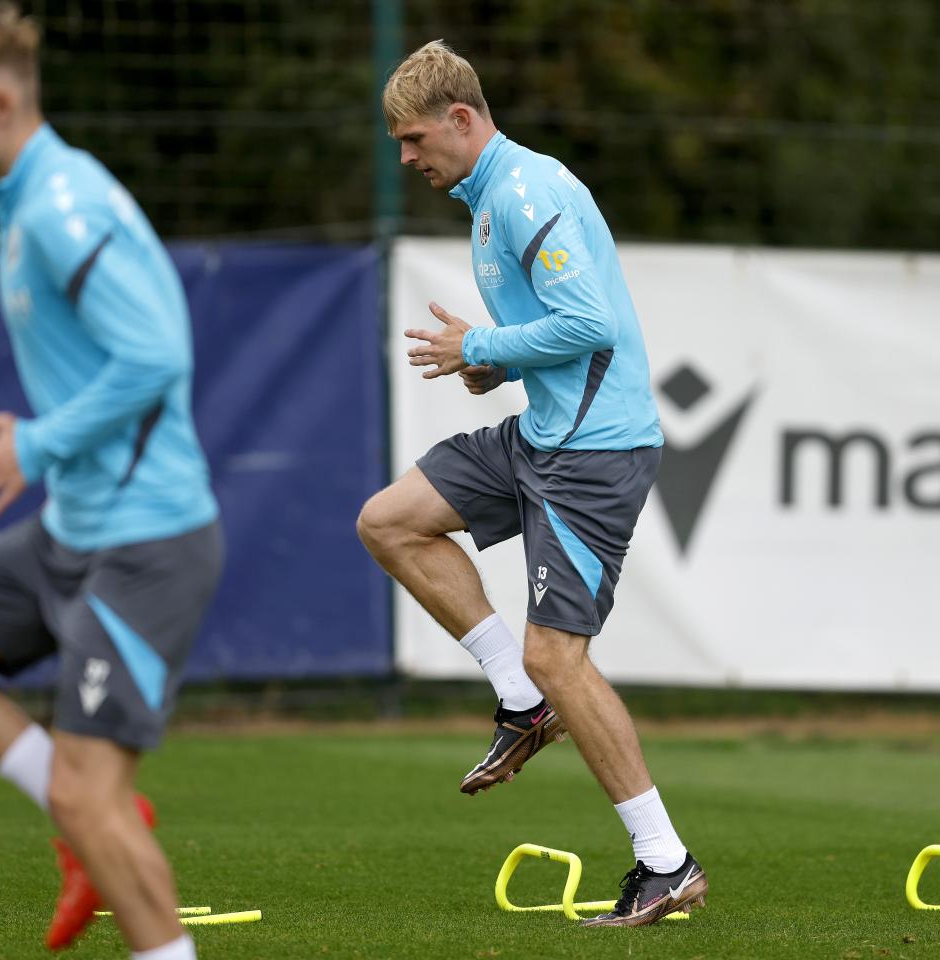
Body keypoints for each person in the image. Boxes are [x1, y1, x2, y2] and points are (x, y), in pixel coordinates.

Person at [358, 40, 707, 926]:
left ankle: (665, 862)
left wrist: (480, 344)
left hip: (594, 454)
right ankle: (521, 700)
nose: (406, 158)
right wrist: (498, 367)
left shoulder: (524, 191)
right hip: (544, 436)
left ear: (461, 119)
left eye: (413, 139)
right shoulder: (487, 200)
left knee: (560, 656)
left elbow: (590, 325)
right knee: (390, 521)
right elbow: (561, 333)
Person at [0, 4, 223, 957]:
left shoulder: (63, 207)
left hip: (147, 542)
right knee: (77, 798)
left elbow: (157, 355)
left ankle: (96, 830)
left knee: (89, 793)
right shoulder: (20, 201)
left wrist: (33, 448)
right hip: (71, 528)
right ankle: (80, 823)